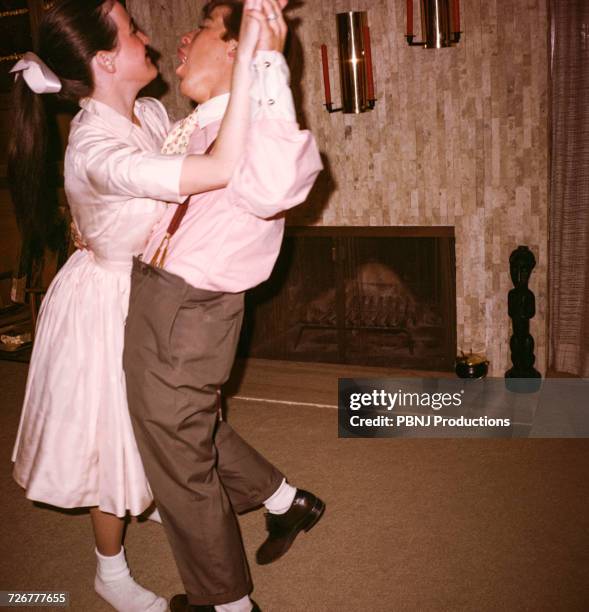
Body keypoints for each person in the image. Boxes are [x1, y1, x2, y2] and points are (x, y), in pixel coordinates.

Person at [8, 1, 277, 610]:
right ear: (105, 59)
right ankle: (111, 573)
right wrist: (255, 57)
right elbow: (214, 168)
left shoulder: (152, 111)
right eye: (132, 31)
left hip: (154, 285)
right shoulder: (91, 150)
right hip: (108, 299)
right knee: (110, 434)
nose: (148, 37)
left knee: (161, 422)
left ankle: (246, 499)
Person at [122, 2, 324, 611]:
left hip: (188, 308)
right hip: (164, 299)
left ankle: (228, 605)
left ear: (236, 50)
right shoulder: (203, 125)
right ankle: (289, 502)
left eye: (203, 29)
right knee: (188, 427)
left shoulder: (256, 127)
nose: (181, 38)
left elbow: (276, 186)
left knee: (179, 463)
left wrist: (268, 62)